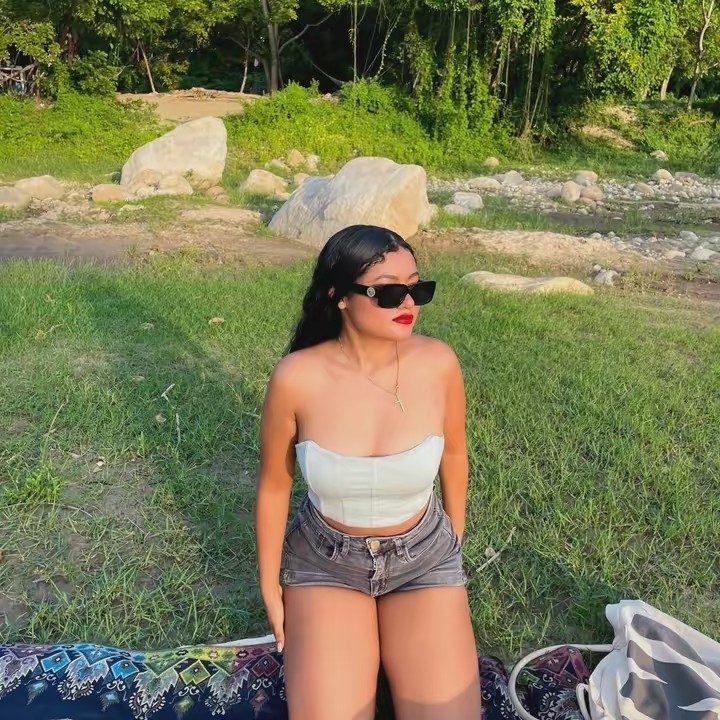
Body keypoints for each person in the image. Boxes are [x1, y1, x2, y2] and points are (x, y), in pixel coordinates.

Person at [255, 224, 482, 719]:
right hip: (325, 562)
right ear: (339, 296)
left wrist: (452, 542)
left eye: (417, 288)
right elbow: (274, 485)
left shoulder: (439, 364)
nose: (409, 303)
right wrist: (270, 585)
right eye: (389, 292)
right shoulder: (297, 377)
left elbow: (455, 455)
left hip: (423, 557)